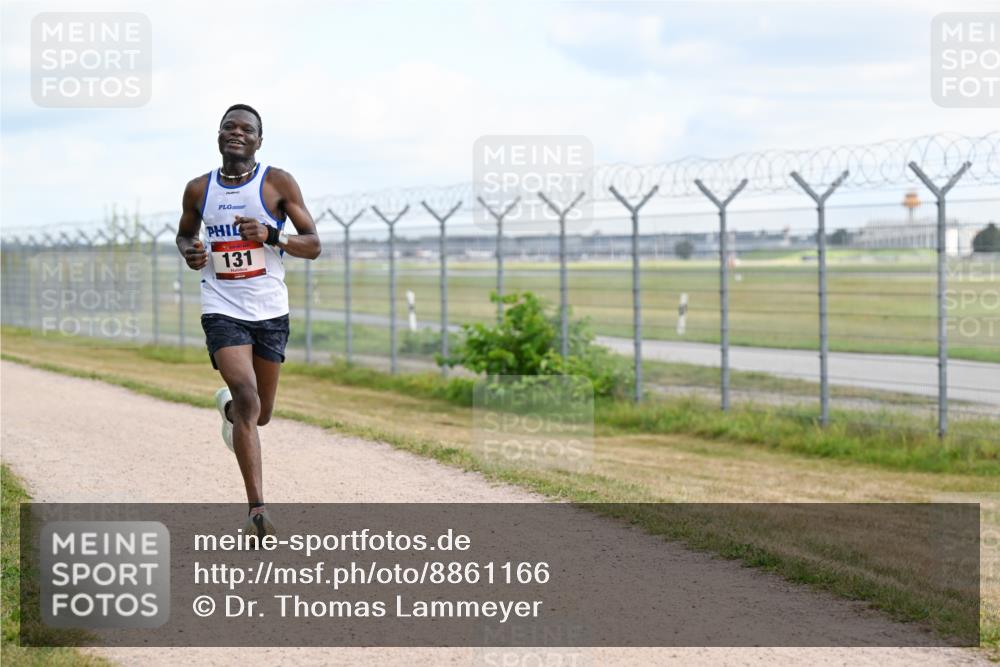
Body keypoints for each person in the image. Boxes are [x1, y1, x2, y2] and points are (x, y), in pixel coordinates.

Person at [175, 104, 320, 538]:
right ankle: (257, 510)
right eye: (228, 126)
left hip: (270, 310)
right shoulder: (198, 190)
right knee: (247, 397)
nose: (236, 133)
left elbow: (313, 244)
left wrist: (273, 235)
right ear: (218, 135)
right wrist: (190, 252)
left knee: (260, 415)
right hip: (221, 306)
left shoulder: (277, 182)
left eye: (247, 129)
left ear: (259, 139)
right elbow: (185, 234)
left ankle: (230, 409)